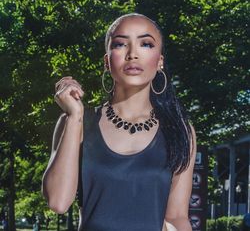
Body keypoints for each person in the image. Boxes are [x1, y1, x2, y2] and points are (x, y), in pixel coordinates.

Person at [42, 13, 197, 231]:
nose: (133, 54)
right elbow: (58, 202)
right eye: (120, 44)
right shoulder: (77, 121)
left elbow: (177, 217)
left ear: (160, 60)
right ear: (107, 60)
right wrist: (75, 115)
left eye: (145, 44)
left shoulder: (180, 130)